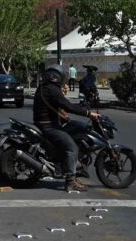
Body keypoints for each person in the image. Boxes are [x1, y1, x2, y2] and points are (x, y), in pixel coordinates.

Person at [32, 64, 100, 193]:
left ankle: (68, 166)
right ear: (57, 77)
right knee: (72, 148)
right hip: (48, 126)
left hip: (47, 123)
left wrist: (64, 115)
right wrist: (88, 113)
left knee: (75, 128)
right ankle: (70, 182)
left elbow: (55, 105)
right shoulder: (52, 89)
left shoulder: (43, 87)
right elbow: (67, 105)